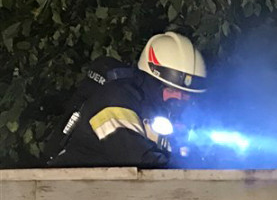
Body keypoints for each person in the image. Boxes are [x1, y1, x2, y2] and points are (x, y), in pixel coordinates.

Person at [46, 31, 206, 168]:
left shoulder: (159, 116)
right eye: (171, 90)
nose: (179, 99)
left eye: (185, 94)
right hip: (69, 192)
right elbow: (140, 162)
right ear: (151, 83)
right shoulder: (115, 101)